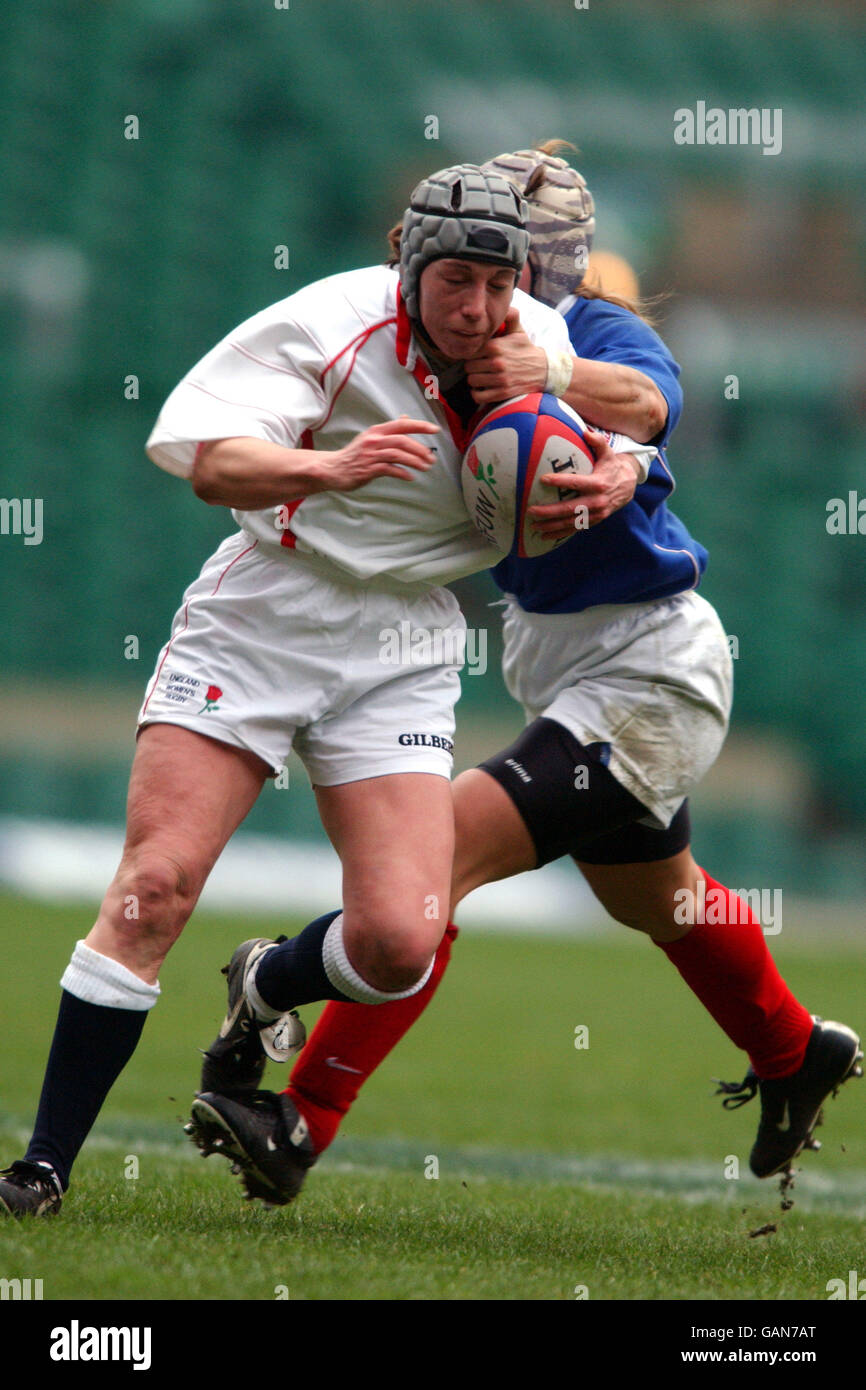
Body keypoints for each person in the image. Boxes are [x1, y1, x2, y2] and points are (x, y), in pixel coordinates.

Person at [185, 145, 861, 1208]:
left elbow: (643, 405)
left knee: (432, 861)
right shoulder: (429, 342)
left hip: (648, 672)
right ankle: (792, 1050)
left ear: (560, 262)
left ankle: (294, 1104)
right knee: (663, 900)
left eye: (524, 256)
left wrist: (588, 417)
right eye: (476, 257)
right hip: (567, 669)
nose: (502, 281)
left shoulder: (587, 330)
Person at [1, 162, 648, 1219]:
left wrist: (614, 456)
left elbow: (645, 407)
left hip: (403, 637)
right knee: (153, 887)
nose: (478, 309)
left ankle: (263, 986)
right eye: (455, 283)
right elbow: (213, 463)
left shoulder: (531, 337)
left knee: (397, 944)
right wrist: (325, 470)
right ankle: (41, 1167)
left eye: (497, 285)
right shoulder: (328, 319)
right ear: (405, 258)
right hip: (266, 610)